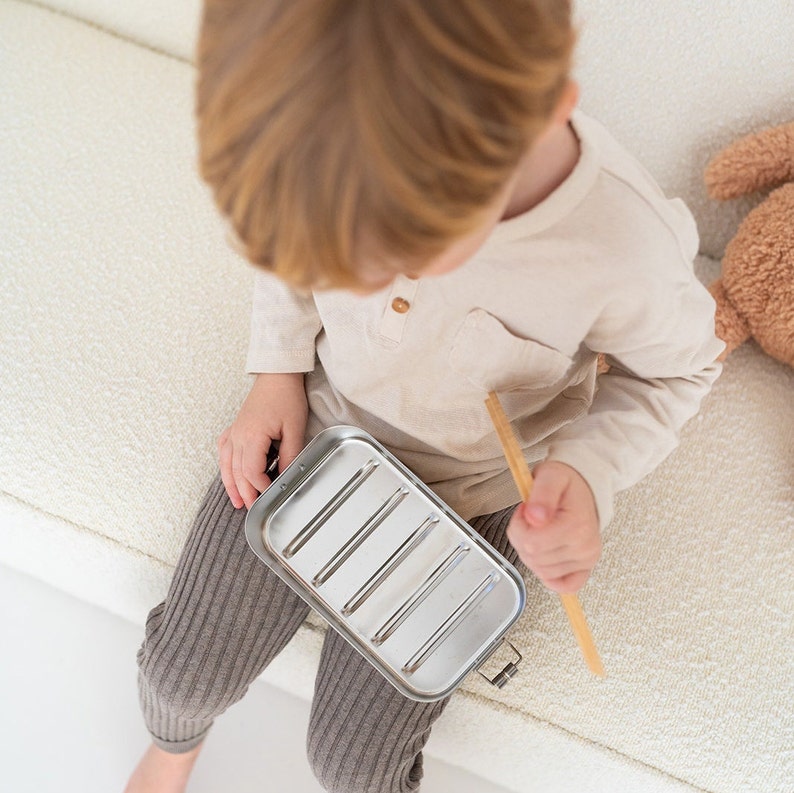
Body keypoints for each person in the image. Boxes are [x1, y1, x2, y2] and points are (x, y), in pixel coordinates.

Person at [125, 1, 723, 791]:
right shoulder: (330, 137)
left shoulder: (623, 247)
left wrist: (588, 469)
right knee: (181, 674)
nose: (362, 274)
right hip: (319, 430)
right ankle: (172, 751)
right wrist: (276, 370)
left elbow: (681, 370)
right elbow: (289, 240)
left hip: (474, 499)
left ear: (545, 110)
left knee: (354, 766)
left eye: (400, 244)